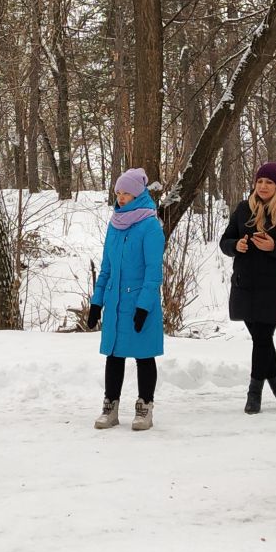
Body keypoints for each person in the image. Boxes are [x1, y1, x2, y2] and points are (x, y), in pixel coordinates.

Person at [219, 162, 276, 414]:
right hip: (245, 285)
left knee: (261, 338)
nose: (263, 186)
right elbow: (225, 242)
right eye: (260, 181)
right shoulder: (243, 209)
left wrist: (274, 248)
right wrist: (237, 246)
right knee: (262, 338)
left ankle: (254, 392)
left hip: (275, 288)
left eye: (269, 182)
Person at [89, 168, 165, 432]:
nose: (121, 198)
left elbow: (153, 273)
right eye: (118, 193)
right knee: (114, 355)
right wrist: (96, 301)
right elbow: (106, 267)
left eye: (126, 194)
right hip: (115, 301)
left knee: (144, 356)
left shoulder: (150, 226)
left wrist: (144, 306)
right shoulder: (114, 224)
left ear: (138, 195)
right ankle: (110, 406)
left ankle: (145, 406)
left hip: (140, 303)